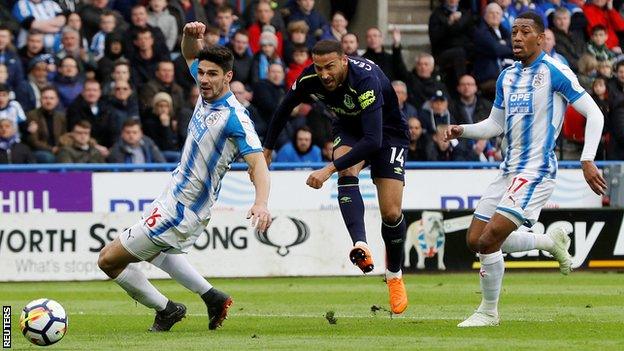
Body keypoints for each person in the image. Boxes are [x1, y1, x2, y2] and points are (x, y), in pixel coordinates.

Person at [97, 21, 272, 332]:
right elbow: (191, 56)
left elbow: (258, 165)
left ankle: (167, 310)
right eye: (201, 73)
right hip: (172, 196)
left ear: (228, 77)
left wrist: (261, 203)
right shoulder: (206, 92)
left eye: (211, 74)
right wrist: (190, 37)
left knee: (109, 261)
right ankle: (212, 297)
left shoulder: (235, 119)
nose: (202, 79)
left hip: (183, 209)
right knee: (162, 253)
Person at [444, 12, 607, 327]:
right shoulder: (507, 76)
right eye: (513, 31)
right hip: (508, 169)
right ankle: (548, 242)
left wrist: (587, 158)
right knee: (475, 239)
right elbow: (494, 124)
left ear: (541, 38)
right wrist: (462, 130)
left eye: (524, 31)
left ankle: (488, 313)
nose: (516, 37)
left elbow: (595, 113)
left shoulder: (555, 71)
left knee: (490, 239)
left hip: (537, 170)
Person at [262, 40, 410, 315]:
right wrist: (267, 149)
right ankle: (361, 244)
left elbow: (373, 139)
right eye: (319, 68)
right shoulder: (309, 78)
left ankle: (394, 275)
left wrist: (327, 169)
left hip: (387, 134)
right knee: (347, 169)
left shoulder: (364, 79)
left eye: (330, 67)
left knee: (391, 213)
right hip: (350, 128)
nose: (324, 74)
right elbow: (284, 108)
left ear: (344, 61)